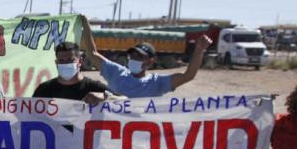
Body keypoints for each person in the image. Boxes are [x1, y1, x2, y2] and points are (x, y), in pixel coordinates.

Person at [81, 18, 212, 98]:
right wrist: (86, 25)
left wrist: (199, 50)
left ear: (150, 62)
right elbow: (92, 54)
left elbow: (188, 76)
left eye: (139, 57)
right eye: (132, 55)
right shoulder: (116, 72)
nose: (134, 58)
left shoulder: (156, 83)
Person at [32, 41, 110, 104]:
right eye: (61, 61)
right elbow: (28, 115)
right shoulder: (44, 89)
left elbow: (120, 100)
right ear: (56, 63)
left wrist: (104, 97)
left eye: (70, 60)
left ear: (80, 61)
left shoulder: (95, 88)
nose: (66, 64)